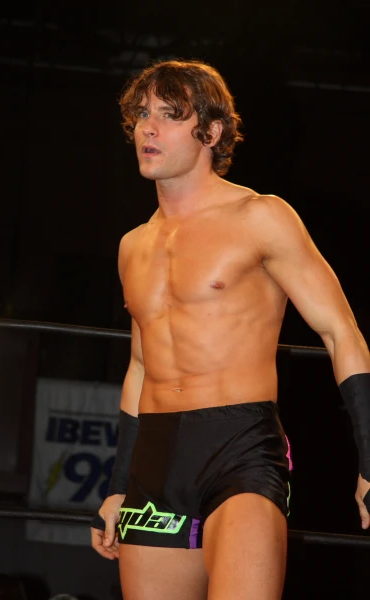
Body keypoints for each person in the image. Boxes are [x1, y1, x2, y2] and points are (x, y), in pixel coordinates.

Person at [91, 60, 370, 600]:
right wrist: (118, 485)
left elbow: (342, 333)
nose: (148, 128)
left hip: (239, 449)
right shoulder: (133, 246)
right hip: (156, 460)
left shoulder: (259, 217)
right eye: (142, 115)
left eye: (169, 116)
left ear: (212, 132)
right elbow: (141, 367)